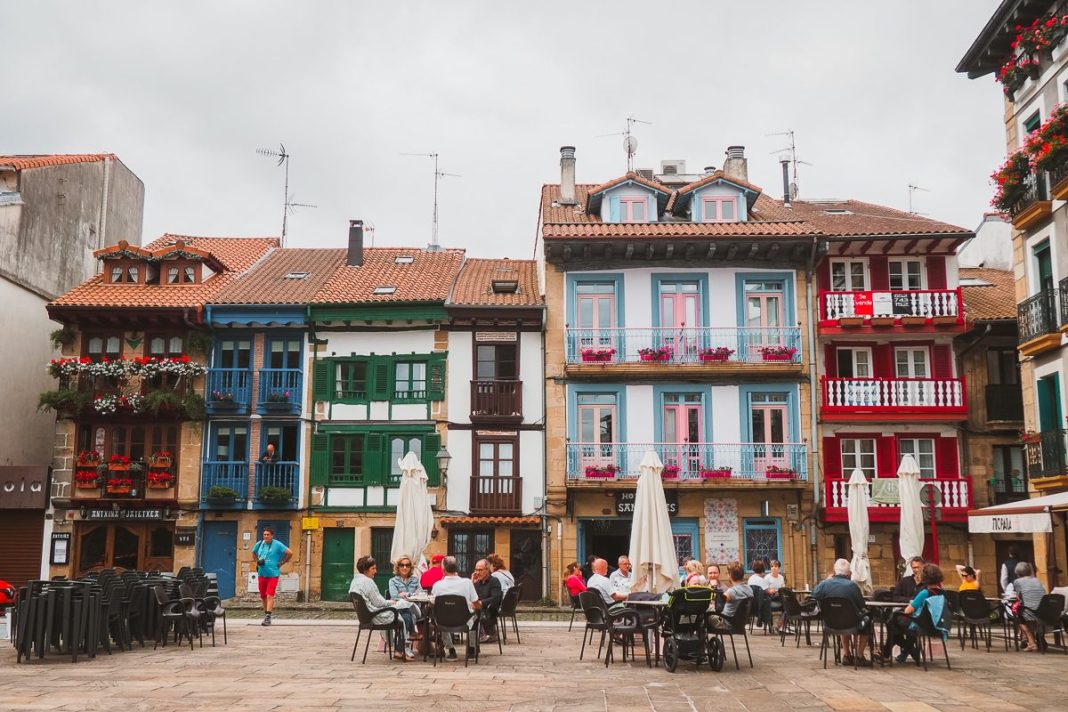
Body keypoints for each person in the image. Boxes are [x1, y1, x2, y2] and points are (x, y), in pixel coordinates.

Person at [350, 556, 414, 661]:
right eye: (373, 569)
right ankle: (400, 649)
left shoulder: (355, 581)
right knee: (406, 614)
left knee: (403, 612)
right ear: (366, 570)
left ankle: (402, 646)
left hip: (364, 617)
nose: (376, 571)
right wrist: (392, 602)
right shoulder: (368, 582)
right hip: (375, 616)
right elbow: (379, 603)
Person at [877, 563, 945, 664]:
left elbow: (908, 610)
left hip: (920, 624)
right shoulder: (942, 592)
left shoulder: (924, 593)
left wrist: (908, 607)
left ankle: (911, 652)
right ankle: (891, 653)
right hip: (935, 624)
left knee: (892, 621)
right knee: (894, 625)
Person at [812, 559, 871, 666]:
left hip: (831, 623)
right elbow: (862, 605)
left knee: (841, 617)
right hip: (850, 623)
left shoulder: (825, 584)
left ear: (834, 571)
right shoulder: (852, 586)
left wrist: (826, 580)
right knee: (865, 620)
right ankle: (859, 655)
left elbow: (815, 594)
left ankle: (847, 655)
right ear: (849, 573)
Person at [430, 556, 482, 660]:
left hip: (443, 622)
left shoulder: (437, 585)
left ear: (443, 569)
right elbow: (476, 604)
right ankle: (471, 650)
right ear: (456, 568)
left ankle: (451, 650)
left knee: (440, 615)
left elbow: (432, 604)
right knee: (476, 615)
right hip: (464, 621)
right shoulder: (467, 582)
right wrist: (478, 605)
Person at [250, 527, 292, 626]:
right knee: (263, 596)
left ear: (272, 536)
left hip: (273, 574)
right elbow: (253, 552)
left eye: (268, 535)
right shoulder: (259, 544)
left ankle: (268, 616)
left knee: (270, 595)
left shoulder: (277, 544)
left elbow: (290, 553)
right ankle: (266, 615)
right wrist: (256, 561)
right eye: (264, 534)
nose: (266, 536)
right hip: (261, 574)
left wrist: (282, 562)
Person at [708, 561, 754, 632]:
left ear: (730, 575)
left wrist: (714, 587)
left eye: (727, 573)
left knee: (705, 615)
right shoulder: (749, 589)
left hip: (726, 624)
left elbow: (719, 607)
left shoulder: (731, 592)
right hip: (740, 624)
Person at [1011, 562, 1047, 651]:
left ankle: (1031, 642)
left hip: (1031, 612)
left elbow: (1018, 596)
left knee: (1017, 614)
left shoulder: (1017, 581)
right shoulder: (1036, 580)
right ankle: (1029, 640)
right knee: (1022, 611)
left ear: (1017, 573)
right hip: (1043, 612)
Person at [388, 556, 423, 645]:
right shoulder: (392, 581)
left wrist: (406, 594)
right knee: (406, 616)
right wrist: (412, 596)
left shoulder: (415, 580)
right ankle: (410, 636)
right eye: (402, 565)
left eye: (407, 565)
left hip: (414, 609)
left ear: (410, 567)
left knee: (408, 614)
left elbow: (420, 593)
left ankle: (402, 648)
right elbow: (394, 596)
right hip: (400, 609)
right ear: (398, 567)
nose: (404, 567)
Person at [472, 559, 503, 643]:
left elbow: (496, 598)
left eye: (480, 570)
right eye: (476, 570)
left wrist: (481, 603)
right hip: (477, 608)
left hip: (489, 610)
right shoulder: (477, 582)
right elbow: (471, 597)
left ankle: (478, 636)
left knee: (474, 613)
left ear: (487, 570)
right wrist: (472, 583)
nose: (477, 573)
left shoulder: (494, 581)